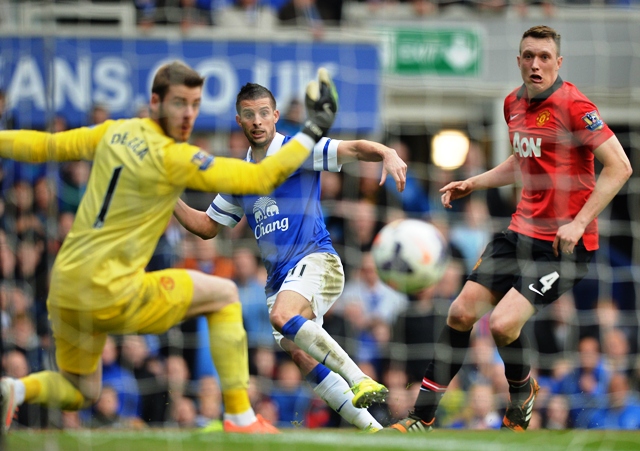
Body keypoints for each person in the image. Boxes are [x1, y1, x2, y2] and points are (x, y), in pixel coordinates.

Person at [0, 61, 340, 434]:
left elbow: (44, 145)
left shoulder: (113, 131)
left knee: (81, 391)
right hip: (111, 289)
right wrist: (312, 129)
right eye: (180, 103)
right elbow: (262, 175)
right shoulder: (175, 157)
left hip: (65, 287)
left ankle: (16, 388)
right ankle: (241, 419)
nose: (189, 114)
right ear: (156, 102)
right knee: (226, 295)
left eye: (195, 104)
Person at [388, 25, 632, 433]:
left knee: (502, 325)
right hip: (519, 233)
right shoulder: (512, 104)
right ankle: (421, 416)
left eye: (544, 57)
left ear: (558, 62)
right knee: (461, 312)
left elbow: (620, 166)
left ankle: (521, 395)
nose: (535, 64)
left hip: (565, 246)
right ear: (518, 60)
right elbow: (523, 161)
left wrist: (579, 221)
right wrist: (474, 182)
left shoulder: (574, 105)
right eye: (528, 56)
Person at [174, 80, 407, 431]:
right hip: (278, 280)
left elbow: (355, 148)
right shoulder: (239, 176)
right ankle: (376, 431)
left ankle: (360, 379)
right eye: (249, 115)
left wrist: (386, 153)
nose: (257, 121)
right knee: (299, 353)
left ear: (276, 117)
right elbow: (207, 226)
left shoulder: (297, 150)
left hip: (317, 260)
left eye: (264, 113)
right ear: (239, 120)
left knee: (283, 317)